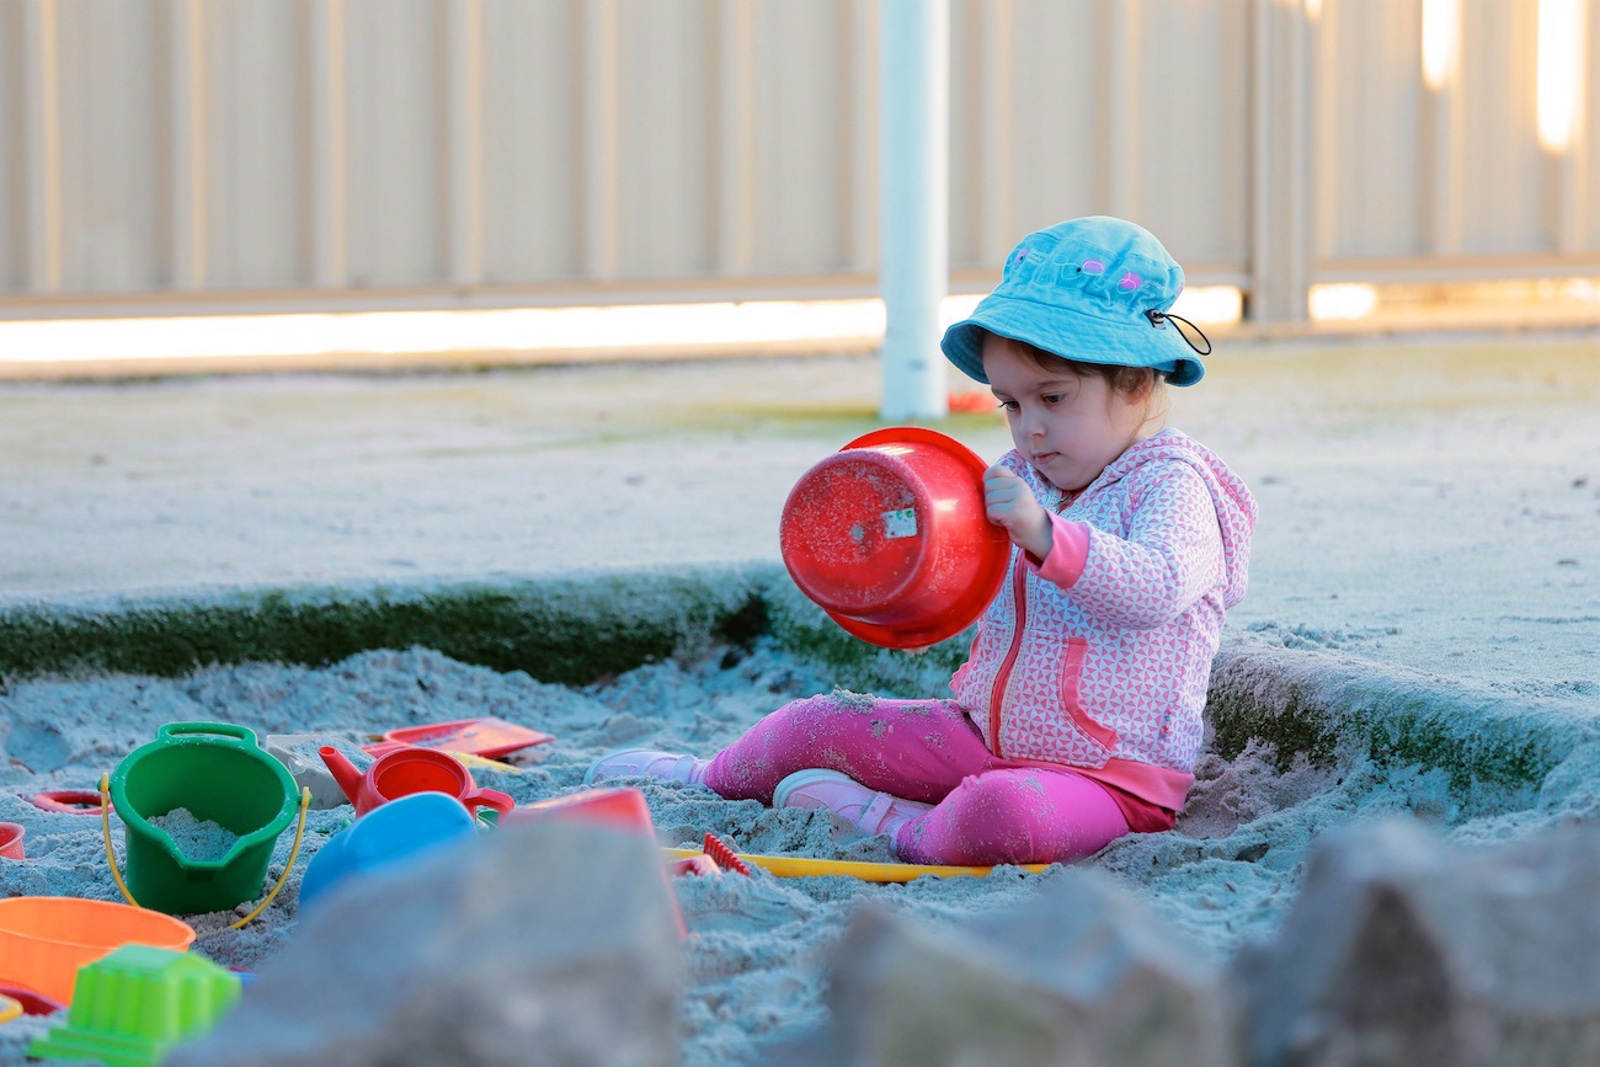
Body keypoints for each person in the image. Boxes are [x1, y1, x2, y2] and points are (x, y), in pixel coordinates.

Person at [586, 216, 1256, 866]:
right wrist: (901, 569)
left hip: (1109, 779)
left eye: (1053, 399)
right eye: (1012, 404)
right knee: (817, 721)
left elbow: (1159, 586)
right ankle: (712, 776)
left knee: (1003, 814)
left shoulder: (1173, 483)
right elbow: (961, 579)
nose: (1031, 430)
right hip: (984, 733)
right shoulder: (1025, 478)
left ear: (1135, 382)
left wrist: (1046, 535)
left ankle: (898, 828)